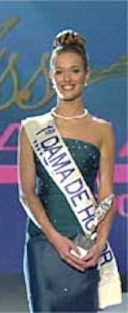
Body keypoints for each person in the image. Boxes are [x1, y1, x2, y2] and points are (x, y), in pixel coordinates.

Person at [18, 29, 121, 312]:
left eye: (74, 71)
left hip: (84, 244)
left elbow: (107, 193)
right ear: (51, 77)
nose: (67, 79)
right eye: (59, 72)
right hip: (44, 245)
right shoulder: (31, 129)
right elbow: (27, 194)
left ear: (87, 75)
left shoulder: (103, 130)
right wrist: (55, 239)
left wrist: (100, 242)